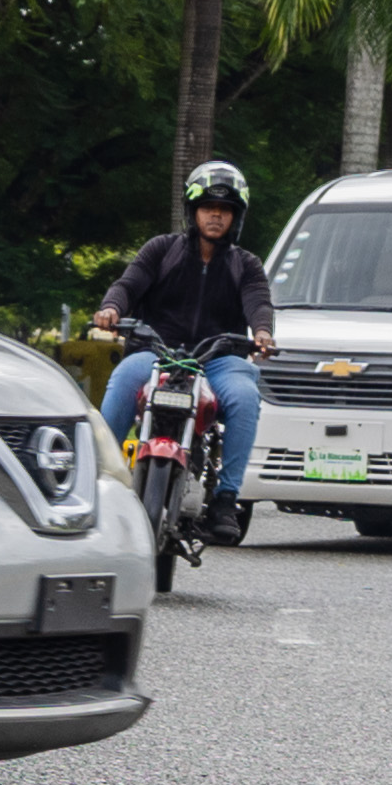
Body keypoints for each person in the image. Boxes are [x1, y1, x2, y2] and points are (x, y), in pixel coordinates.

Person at [93, 158, 274, 533]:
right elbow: (128, 284)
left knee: (244, 395)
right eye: (208, 208)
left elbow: (258, 302)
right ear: (192, 212)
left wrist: (262, 332)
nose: (215, 217)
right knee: (125, 377)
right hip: (157, 352)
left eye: (225, 210)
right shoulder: (161, 249)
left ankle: (226, 498)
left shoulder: (248, 265)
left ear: (236, 217)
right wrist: (111, 308)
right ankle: (97, 478)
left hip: (219, 359)